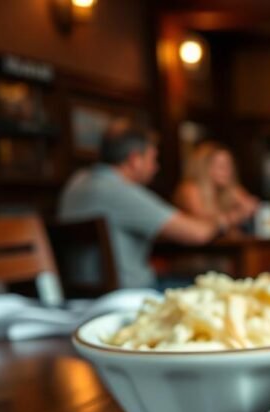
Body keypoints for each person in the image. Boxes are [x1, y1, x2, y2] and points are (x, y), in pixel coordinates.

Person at [59, 121, 227, 289]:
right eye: (153, 158)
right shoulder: (120, 191)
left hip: (79, 293)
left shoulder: (76, 182)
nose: (156, 167)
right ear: (135, 160)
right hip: (129, 294)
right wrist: (221, 221)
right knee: (214, 286)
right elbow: (198, 234)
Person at [174, 141, 259, 228]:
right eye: (221, 166)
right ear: (204, 168)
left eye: (229, 165)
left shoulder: (230, 188)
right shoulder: (190, 189)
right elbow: (203, 227)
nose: (228, 171)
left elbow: (253, 207)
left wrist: (250, 207)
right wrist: (237, 215)